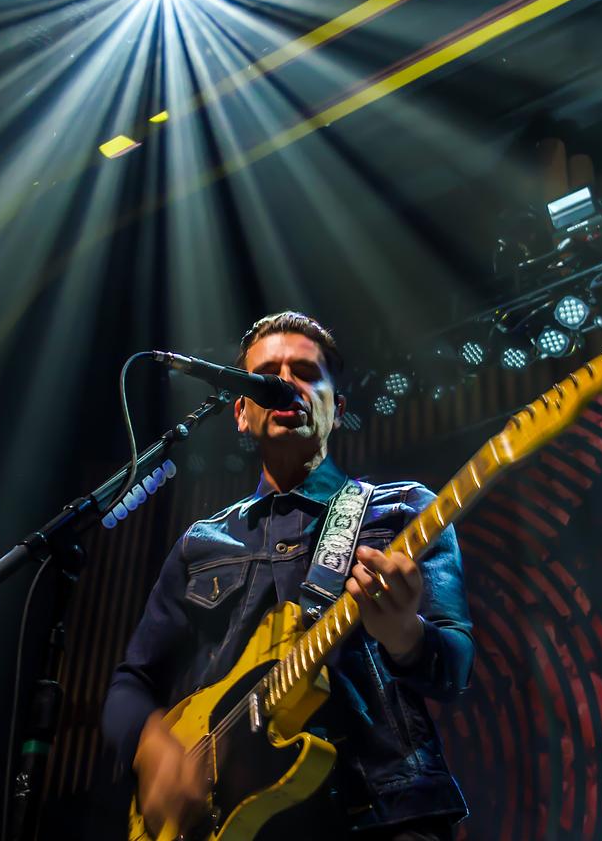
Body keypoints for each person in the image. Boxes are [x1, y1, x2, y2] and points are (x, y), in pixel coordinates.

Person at [101, 312, 475, 841]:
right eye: (267, 375)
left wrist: (405, 635)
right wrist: (151, 746)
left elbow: (454, 668)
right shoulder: (201, 542)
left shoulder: (403, 511)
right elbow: (133, 682)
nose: (285, 384)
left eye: (305, 372)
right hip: (231, 821)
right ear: (240, 411)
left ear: (336, 409)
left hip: (384, 814)